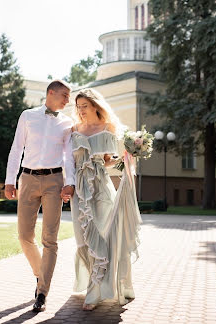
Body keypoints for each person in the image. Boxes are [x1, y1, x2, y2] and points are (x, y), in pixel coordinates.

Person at [61, 88, 142, 311]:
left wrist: (129, 155)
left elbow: (108, 160)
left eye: (84, 106)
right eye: (78, 107)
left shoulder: (109, 128)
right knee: (83, 238)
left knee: (104, 236)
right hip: (80, 191)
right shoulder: (74, 129)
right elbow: (68, 161)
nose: (80, 111)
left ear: (96, 106)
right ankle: (93, 283)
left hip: (101, 188)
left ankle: (96, 291)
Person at [4, 80, 75, 313]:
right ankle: (39, 273)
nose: (67, 101)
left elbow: (69, 157)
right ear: (51, 93)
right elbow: (16, 149)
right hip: (28, 179)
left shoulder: (67, 123)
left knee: (50, 239)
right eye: (64, 96)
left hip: (55, 181)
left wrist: (69, 183)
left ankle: (42, 292)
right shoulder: (27, 116)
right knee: (24, 236)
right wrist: (9, 180)